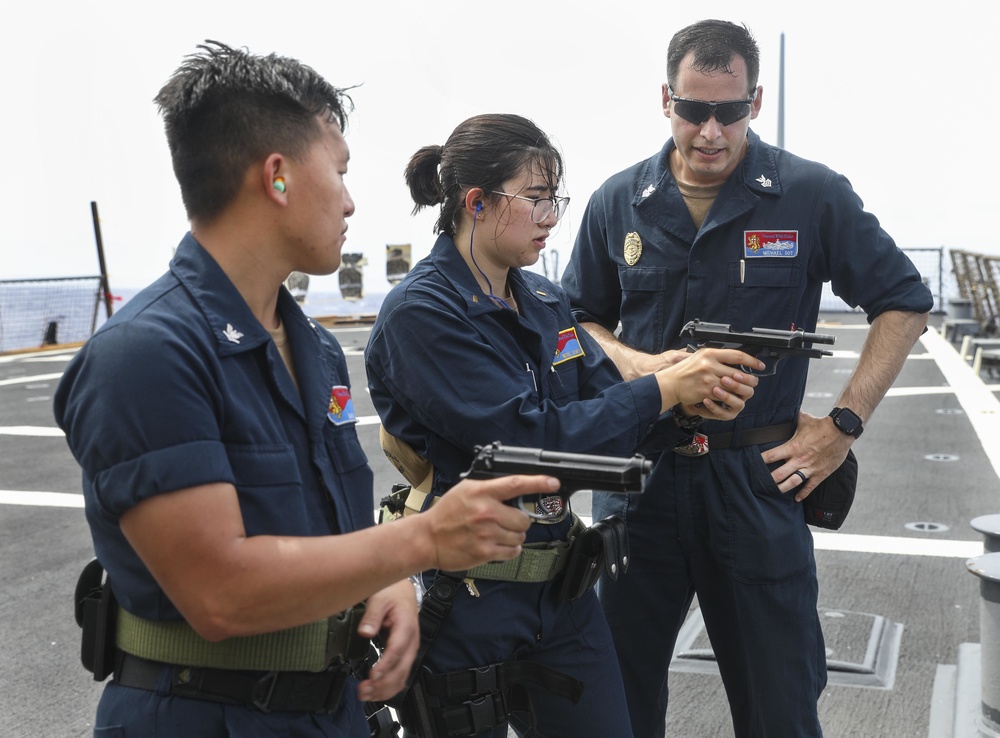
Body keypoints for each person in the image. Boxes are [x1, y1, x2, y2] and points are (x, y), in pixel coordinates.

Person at [53, 41, 556, 738]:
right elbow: (221, 592)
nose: (351, 201)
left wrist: (383, 583)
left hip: (333, 712)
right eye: (340, 171)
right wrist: (421, 542)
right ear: (279, 177)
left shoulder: (314, 349)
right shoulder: (146, 356)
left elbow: (332, 526)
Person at [560, 19, 934, 738]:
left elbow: (905, 301)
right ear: (664, 99)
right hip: (641, 484)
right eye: (692, 110)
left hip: (754, 484)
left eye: (728, 112)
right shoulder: (617, 202)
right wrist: (639, 365)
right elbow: (576, 318)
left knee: (780, 707)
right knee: (613, 703)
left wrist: (841, 428)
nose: (709, 132)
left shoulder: (809, 194)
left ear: (754, 103)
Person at [364, 113, 763, 738]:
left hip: (562, 590)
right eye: (538, 198)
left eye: (557, 199)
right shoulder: (423, 314)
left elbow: (606, 412)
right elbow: (524, 441)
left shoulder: (547, 303)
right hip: (467, 598)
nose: (553, 216)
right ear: (477, 202)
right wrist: (659, 390)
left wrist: (689, 403)